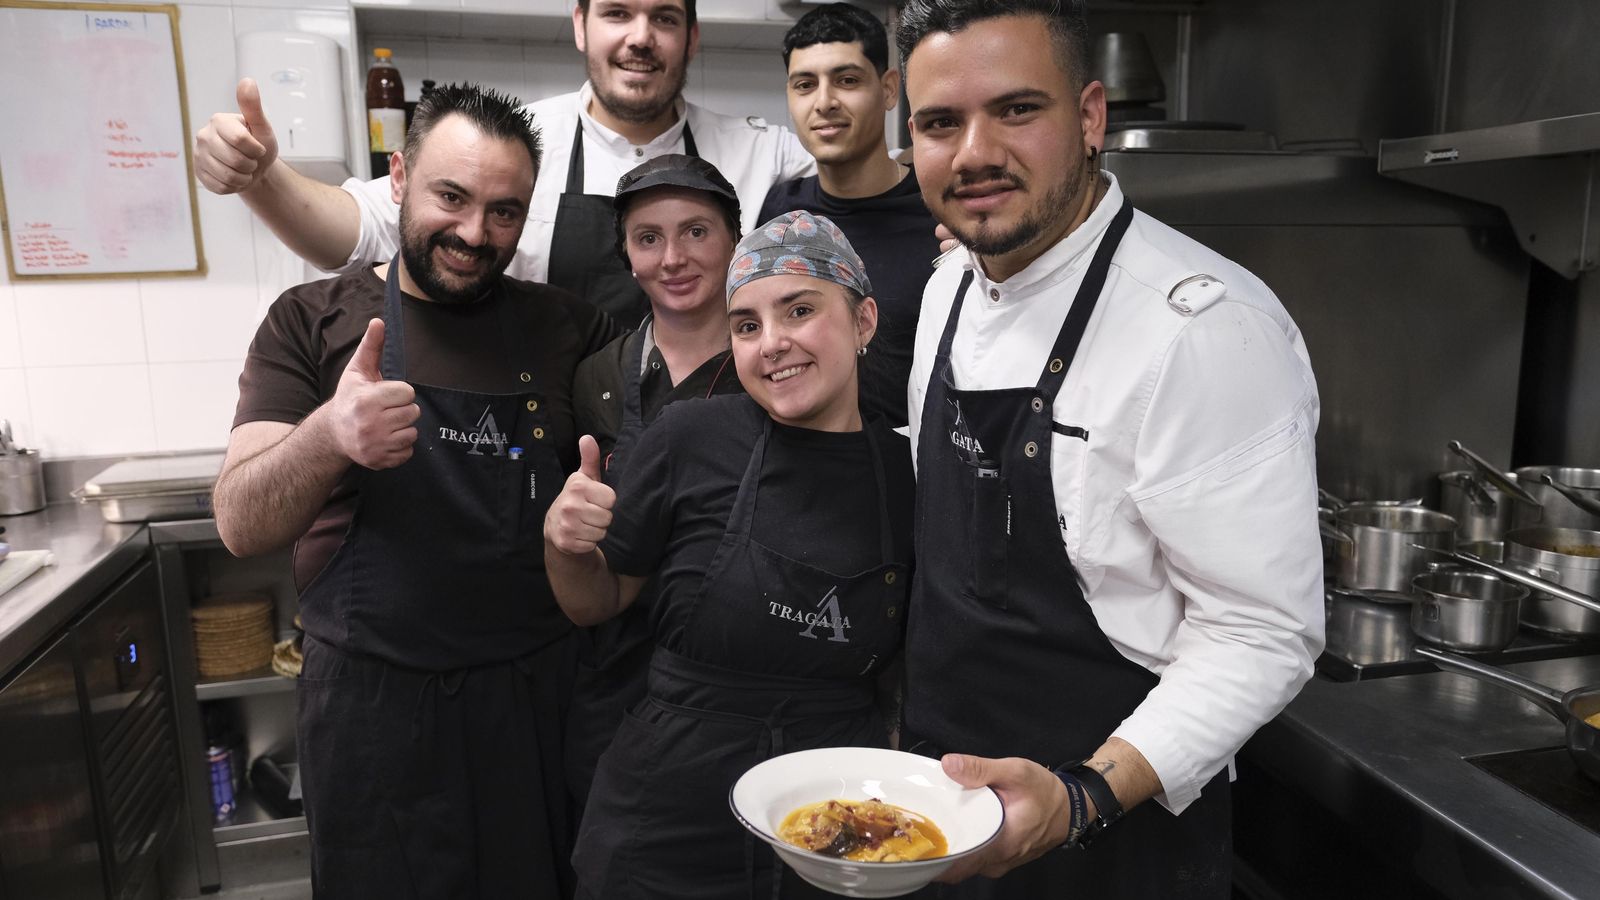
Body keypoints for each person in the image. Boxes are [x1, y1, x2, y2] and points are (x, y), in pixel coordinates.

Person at [894, 1, 1326, 897]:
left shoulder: (1204, 330)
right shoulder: (945, 294)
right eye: (940, 122)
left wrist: (1083, 797)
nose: (973, 153)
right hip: (939, 815)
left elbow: (1261, 634)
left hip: (1115, 836)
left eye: (1017, 110)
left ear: (1091, 118)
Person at [212, 83, 618, 899]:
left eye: (505, 212)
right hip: (371, 715)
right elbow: (239, 520)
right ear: (398, 177)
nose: (475, 234)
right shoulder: (311, 319)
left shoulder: (569, 328)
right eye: (452, 197)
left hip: (531, 707)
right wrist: (331, 435)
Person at [544, 211, 915, 899]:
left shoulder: (907, 472)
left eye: (799, 310)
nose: (771, 344)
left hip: (833, 816)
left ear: (863, 321)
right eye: (746, 325)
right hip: (669, 816)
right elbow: (597, 601)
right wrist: (564, 547)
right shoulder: (688, 437)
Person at [193, 0, 814, 325]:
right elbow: (359, 230)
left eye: (666, 18)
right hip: (541, 434)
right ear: (581, 25)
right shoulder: (518, 143)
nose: (641, 37)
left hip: (701, 436)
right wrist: (263, 179)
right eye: (618, 13)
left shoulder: (761, 150)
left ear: (692, 38)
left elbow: (873, 174)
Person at [564, 154, 746, 810]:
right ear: (627, 255)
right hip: (618, 675)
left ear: (734, 240)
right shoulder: (597, 377)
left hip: (740, 676)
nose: (674, 257)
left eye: (697, 231)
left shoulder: (774, 367)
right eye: (649, 238)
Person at [758, 3, 940, 428]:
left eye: (847, 80)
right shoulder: (781, 213)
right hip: (803, 461)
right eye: (805, 84)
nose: (824, 102)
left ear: (890, 89)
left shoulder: (939, 210)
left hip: (916, 469)